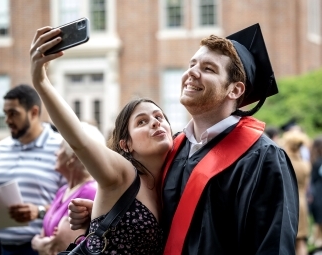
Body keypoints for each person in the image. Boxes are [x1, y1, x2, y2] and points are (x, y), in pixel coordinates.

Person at [68, 24, 299, 254]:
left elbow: (273, 246)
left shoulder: (262, 158)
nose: (192, 73)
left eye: (208, 69)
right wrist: (113, 214)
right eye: (192, 65)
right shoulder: (175, 149)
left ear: (235, 90)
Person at [30, 26, 173, 254]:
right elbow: (80, 141)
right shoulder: (123, 172)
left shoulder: (169, 181)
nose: (155, 122)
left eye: (159, 117)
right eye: (142, 122)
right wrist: (41, 82)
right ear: (126, 144)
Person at [0, 84, 65, 255]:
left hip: (42, 248)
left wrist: (40, 211)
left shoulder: (61, 148)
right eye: (6, 114)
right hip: (0, 247)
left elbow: (75, 200)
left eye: (14, 113)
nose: (7, 120)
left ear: (34, 112)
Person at [31, 122, 104, 255]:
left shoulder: (89, 192)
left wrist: (40, 243)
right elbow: (46, 238)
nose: (56, 153)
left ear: (74, 157)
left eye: (60, 148)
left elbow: (62, 246)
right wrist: (40, 243)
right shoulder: (63, 190)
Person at [281, 130, 311, 255]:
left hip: (287, 202)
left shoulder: (282, 161)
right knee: (301, 242)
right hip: (302, 203)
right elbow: (307, 187)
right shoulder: (305, 165)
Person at [309, 136, 322, 248]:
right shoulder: (318, 162)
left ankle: (316, 239)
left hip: (315, 192)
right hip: (319, 193)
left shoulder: (312, 159)